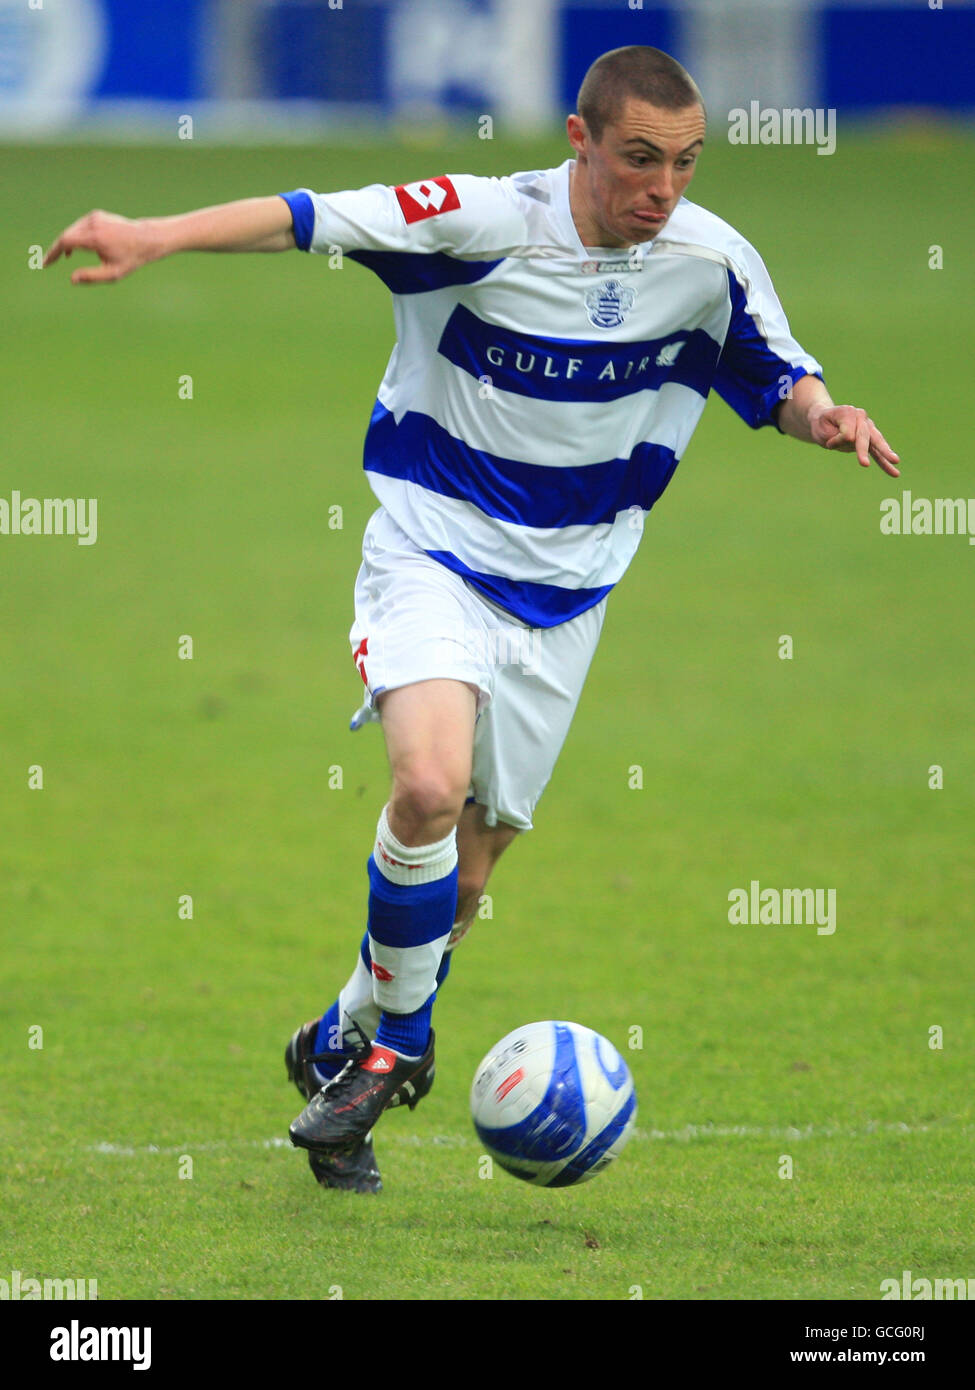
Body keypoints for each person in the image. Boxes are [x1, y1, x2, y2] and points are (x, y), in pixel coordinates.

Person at [45, 46, 900, 1195]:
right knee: (428, 789)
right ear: (579, 139)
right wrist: (155, 232)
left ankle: (344, 1040)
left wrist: (824, 415)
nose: (664, 188)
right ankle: (399, 1046)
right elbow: (307, 217)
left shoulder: (712, 261)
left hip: (572, 593)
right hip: (433, 551)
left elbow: (776, 376)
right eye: (640, 159)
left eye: (686, 164)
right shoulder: (482, 220)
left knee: (470, 879)